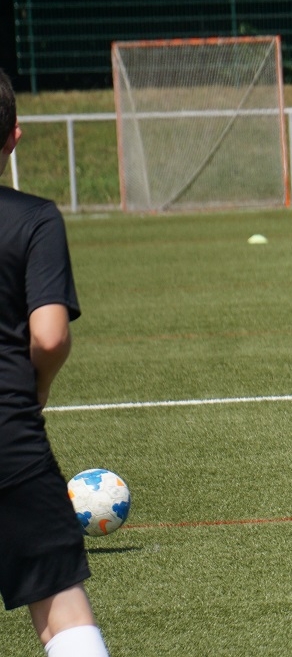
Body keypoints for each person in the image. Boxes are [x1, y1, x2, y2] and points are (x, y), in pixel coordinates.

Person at [0, 69, 110, 657]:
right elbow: (48, 336)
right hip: (8, 437)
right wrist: (36, 389)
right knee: (60, 610)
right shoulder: (33, 218)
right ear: (13, 136)